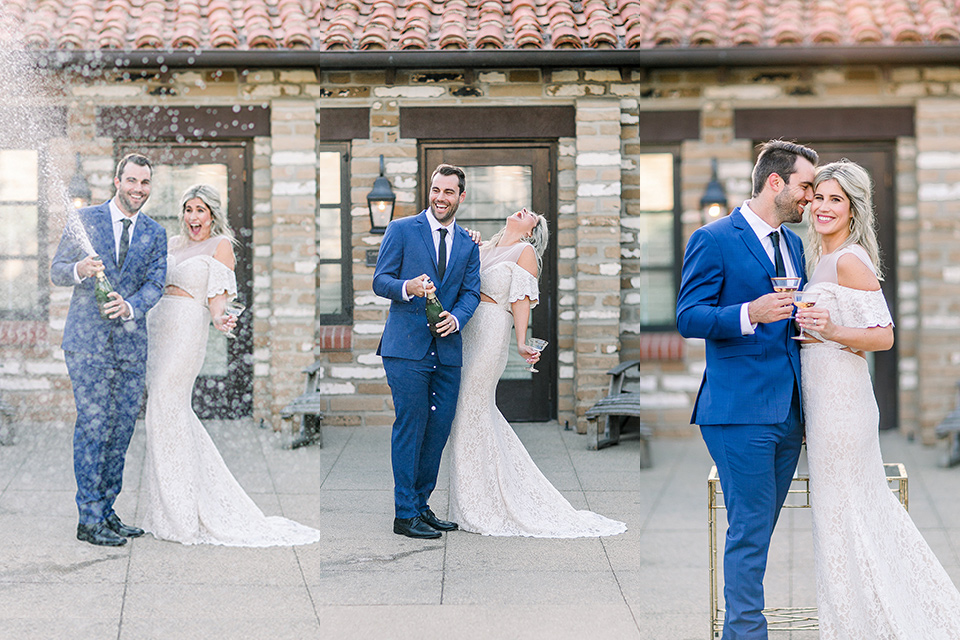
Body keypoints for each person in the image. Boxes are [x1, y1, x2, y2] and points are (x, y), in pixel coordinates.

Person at [794, 160, 960, 639]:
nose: (824, 207)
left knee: (847, 515)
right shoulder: (819, 259)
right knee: (841, 519)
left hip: (844, 407)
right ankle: (859, 621)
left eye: (836, 200)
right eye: (820, 197)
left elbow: (883, 336)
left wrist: (830, 330)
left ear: (853, 209)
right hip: (825, 403)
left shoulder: (850, 258)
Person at [677, 139, 818, 638]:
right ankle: (744, 632)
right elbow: (687, 317)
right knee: (750, 531)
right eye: (805, 186)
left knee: (758, 529)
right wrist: (748, 313)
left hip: (789, 412)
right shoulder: (713, 238)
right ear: (775, 182)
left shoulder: (794, 244)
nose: (811, 197)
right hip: (738, 412)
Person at [139, 184, 322, 546]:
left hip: (187, 330)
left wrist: (223, 320)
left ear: (212, 215)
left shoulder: (220, 246)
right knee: (163, 413)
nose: (194, 217)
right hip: (157, 327)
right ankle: (168, 507)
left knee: (166, 403)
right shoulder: (173, 244)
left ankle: (184, 514)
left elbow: (219, 302)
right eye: (189, 209)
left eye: (201, 210)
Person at [448, 208, 626, 537]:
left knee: (471, 406)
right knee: (466, 412)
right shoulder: (485, 248)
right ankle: (471, 498)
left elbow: (520, 301)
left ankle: (484, 504)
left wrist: (520, 342)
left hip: (491, 332)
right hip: (466, 330)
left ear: (531, 232)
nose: (526, 211)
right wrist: (468, 240)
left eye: (533, 216)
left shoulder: (526, 252)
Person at [51, 153, 168, 547]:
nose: (138, 189)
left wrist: (131, 305)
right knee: (94, 426)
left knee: (120, 432)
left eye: (145, 183)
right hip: (87, 346)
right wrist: (79, 269)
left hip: (131, 349)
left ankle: (107, 510)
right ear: (117, 181)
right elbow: (54, 270)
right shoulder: (85, 221)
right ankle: (88, 519)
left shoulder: (155, 233)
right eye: (132, 180)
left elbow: (155, 284)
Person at [373, 164, 481, 539]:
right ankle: (404, 514)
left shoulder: (469, 243)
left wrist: (459, 318)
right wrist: (409, 287)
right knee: (411, 425)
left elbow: (471, 292)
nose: (440, 197)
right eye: (436, 190)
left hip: (447, 350)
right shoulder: (402, 229)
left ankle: (421, 505)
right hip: (405, 349)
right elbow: (380, 281)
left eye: (448, 192)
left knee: (437, 430)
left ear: (460, 197)